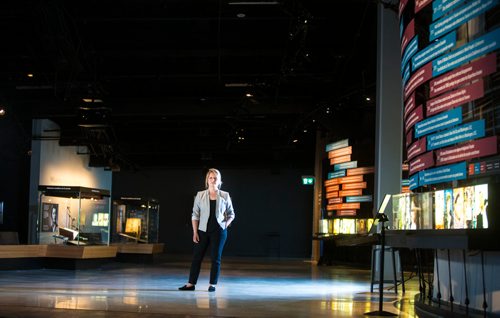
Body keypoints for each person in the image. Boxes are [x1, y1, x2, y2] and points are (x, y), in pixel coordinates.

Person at [179, 168, 235, 292]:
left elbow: (231, 214)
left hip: (219, 231)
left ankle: (212, 284)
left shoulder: (225, 195)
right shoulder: (200, 195)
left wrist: (225, 225)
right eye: (210, 177)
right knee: (196, 258)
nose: (213, 180)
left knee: (216, 259)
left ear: (219, 180)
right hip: (202, 231)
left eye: (215, 178)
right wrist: (195, 232)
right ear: (207, 180)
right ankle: (191, 284)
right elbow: (195, 214)